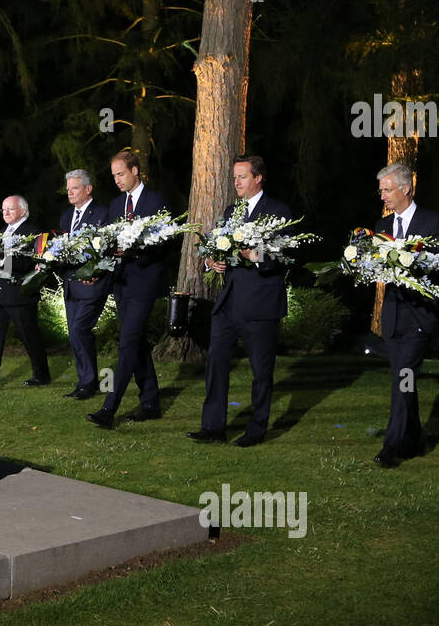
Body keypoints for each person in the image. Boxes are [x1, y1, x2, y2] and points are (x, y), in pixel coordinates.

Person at [187, 155, 292, 448]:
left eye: (242, 177)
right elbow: (216, 246)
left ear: (258, 178)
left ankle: (256, 430)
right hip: (228, 304)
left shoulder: (278, 211)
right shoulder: (231, 211)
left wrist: (253, 254)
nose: (236, 183)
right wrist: (211, 260)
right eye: (234, 177)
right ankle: (212, 427)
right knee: (216, 365)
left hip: (260, 306)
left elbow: (284, 256)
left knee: (261, 372)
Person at [372, 162, 439, 468]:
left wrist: (415, 267)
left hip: (420, 315)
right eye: (381, 191)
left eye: (388, 190)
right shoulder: (380, 228)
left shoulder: (433, 223)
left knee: (402, 377)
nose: (383, 197)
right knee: (403, 379)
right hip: (393, 316)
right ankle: (414, 439)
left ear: (406, 189)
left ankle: (392, 446)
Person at [86, 149, 169, 428]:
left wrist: (135, 251)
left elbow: (164, 243)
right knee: (137, 344)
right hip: (122, 284)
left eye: (120, 174)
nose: (117, 180)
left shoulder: (156, 201)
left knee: (128, 343)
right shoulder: (115, 205)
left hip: (145, 282)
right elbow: (108, 244)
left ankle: (109, 409)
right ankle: (150, 402)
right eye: (113, 176)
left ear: (135, 171)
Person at [0, 196, 52, 390]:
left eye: (10, 209)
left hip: (20, 295)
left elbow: (31, 264)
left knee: (30, 336)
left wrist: (1, 259)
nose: (5, 213)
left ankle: (41, 375)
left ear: (23, 211)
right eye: (3, 210)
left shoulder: (34, 233)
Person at [59, 169, 111, 399]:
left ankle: (89, 383)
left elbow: (106, 248)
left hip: (92, 283)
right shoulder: (64, 217)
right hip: (71, 285)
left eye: (75, 188)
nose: (70, 193)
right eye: (68, 189)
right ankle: (85, 381)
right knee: (75, 333)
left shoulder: (103, 214)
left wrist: (95, 272)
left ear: (88, 189)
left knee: (80, 330)